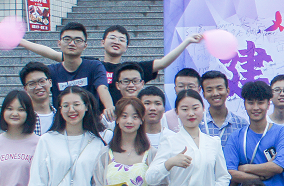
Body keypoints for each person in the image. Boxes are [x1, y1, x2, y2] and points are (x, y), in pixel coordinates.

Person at [20, 25, 203, 105]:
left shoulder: (131, 71)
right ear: (102, 42)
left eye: (121, 40)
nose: (116, 41)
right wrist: (21, 42)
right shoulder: (90, 65)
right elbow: (53, 54)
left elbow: (163, 62)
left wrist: (186, 41)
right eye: (112, 38)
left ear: (127, 47)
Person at [224, 81, 284, 186]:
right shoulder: (236, 137)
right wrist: (262, 176)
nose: (255, 108)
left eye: (260, 103)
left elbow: (277, 167)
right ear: (244, 104)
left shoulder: (281, 133)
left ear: (268, 104)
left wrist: (245, 168)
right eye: (251, 103)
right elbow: (230, 172)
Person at [29, 22, 114, 121]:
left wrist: (109, 107)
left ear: (85, 45)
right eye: (67, 39)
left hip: (91, 122)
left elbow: (102, 88)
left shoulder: (94, 66)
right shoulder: (52, 71)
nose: (72, 43)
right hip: (62, 123)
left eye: (78, 40)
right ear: (59, 43)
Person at [200, 71, 247, 186]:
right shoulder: (197, 124)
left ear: (227, 91)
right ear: (203, 93)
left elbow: (241, 164)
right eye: (209, 90)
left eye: (219, 88)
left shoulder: (241, 124)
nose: (215, 93)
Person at [20, 62, 55, 135]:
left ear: (50, 82)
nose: (38, 87)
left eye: (42, 81)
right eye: (32, 84)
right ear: (25, 89)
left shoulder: (62, 116)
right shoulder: (22, 118)